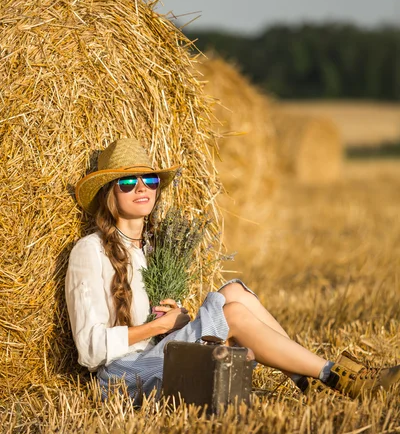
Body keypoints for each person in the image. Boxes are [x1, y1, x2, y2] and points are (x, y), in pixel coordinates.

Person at [65, 138, 400, 402]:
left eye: (149, 179)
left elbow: (161, 325)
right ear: (110, 193)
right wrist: (158, 327)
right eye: (127, 182)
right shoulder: (89, 252)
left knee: (234, 292)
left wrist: (174, 322)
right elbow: (90, 349)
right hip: (125, 377)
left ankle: (307, 380)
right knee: (233, 315)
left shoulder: (152, 249)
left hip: (159, 355)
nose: (141, 187)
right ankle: (334, 376)